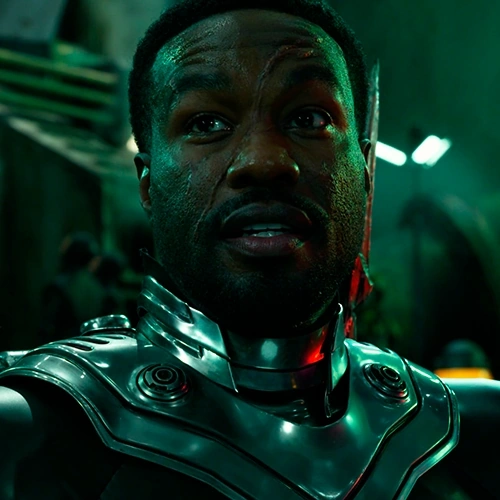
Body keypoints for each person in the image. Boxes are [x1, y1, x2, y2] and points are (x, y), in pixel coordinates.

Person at [0, 0, 498, 498]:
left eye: (309, 117)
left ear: (365, 171)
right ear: (147, 184)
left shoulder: (463, 437)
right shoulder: (31, 432)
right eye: (206, 124)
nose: (263, 161)